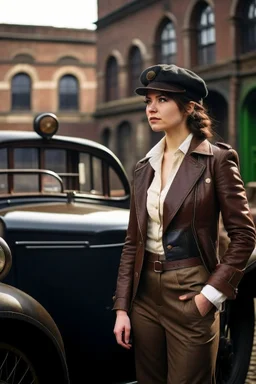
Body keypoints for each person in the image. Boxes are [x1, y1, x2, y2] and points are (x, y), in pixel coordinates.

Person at [112, 64, 256, 384]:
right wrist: (122, 307)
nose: (151, 107)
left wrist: (209, 296)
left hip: (191, 290)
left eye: (162, 99)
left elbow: (244, 237)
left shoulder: (217, 159)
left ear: (189, 106)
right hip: (144, 295)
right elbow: (132, 242)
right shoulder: (143, 167)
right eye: (148, 100)